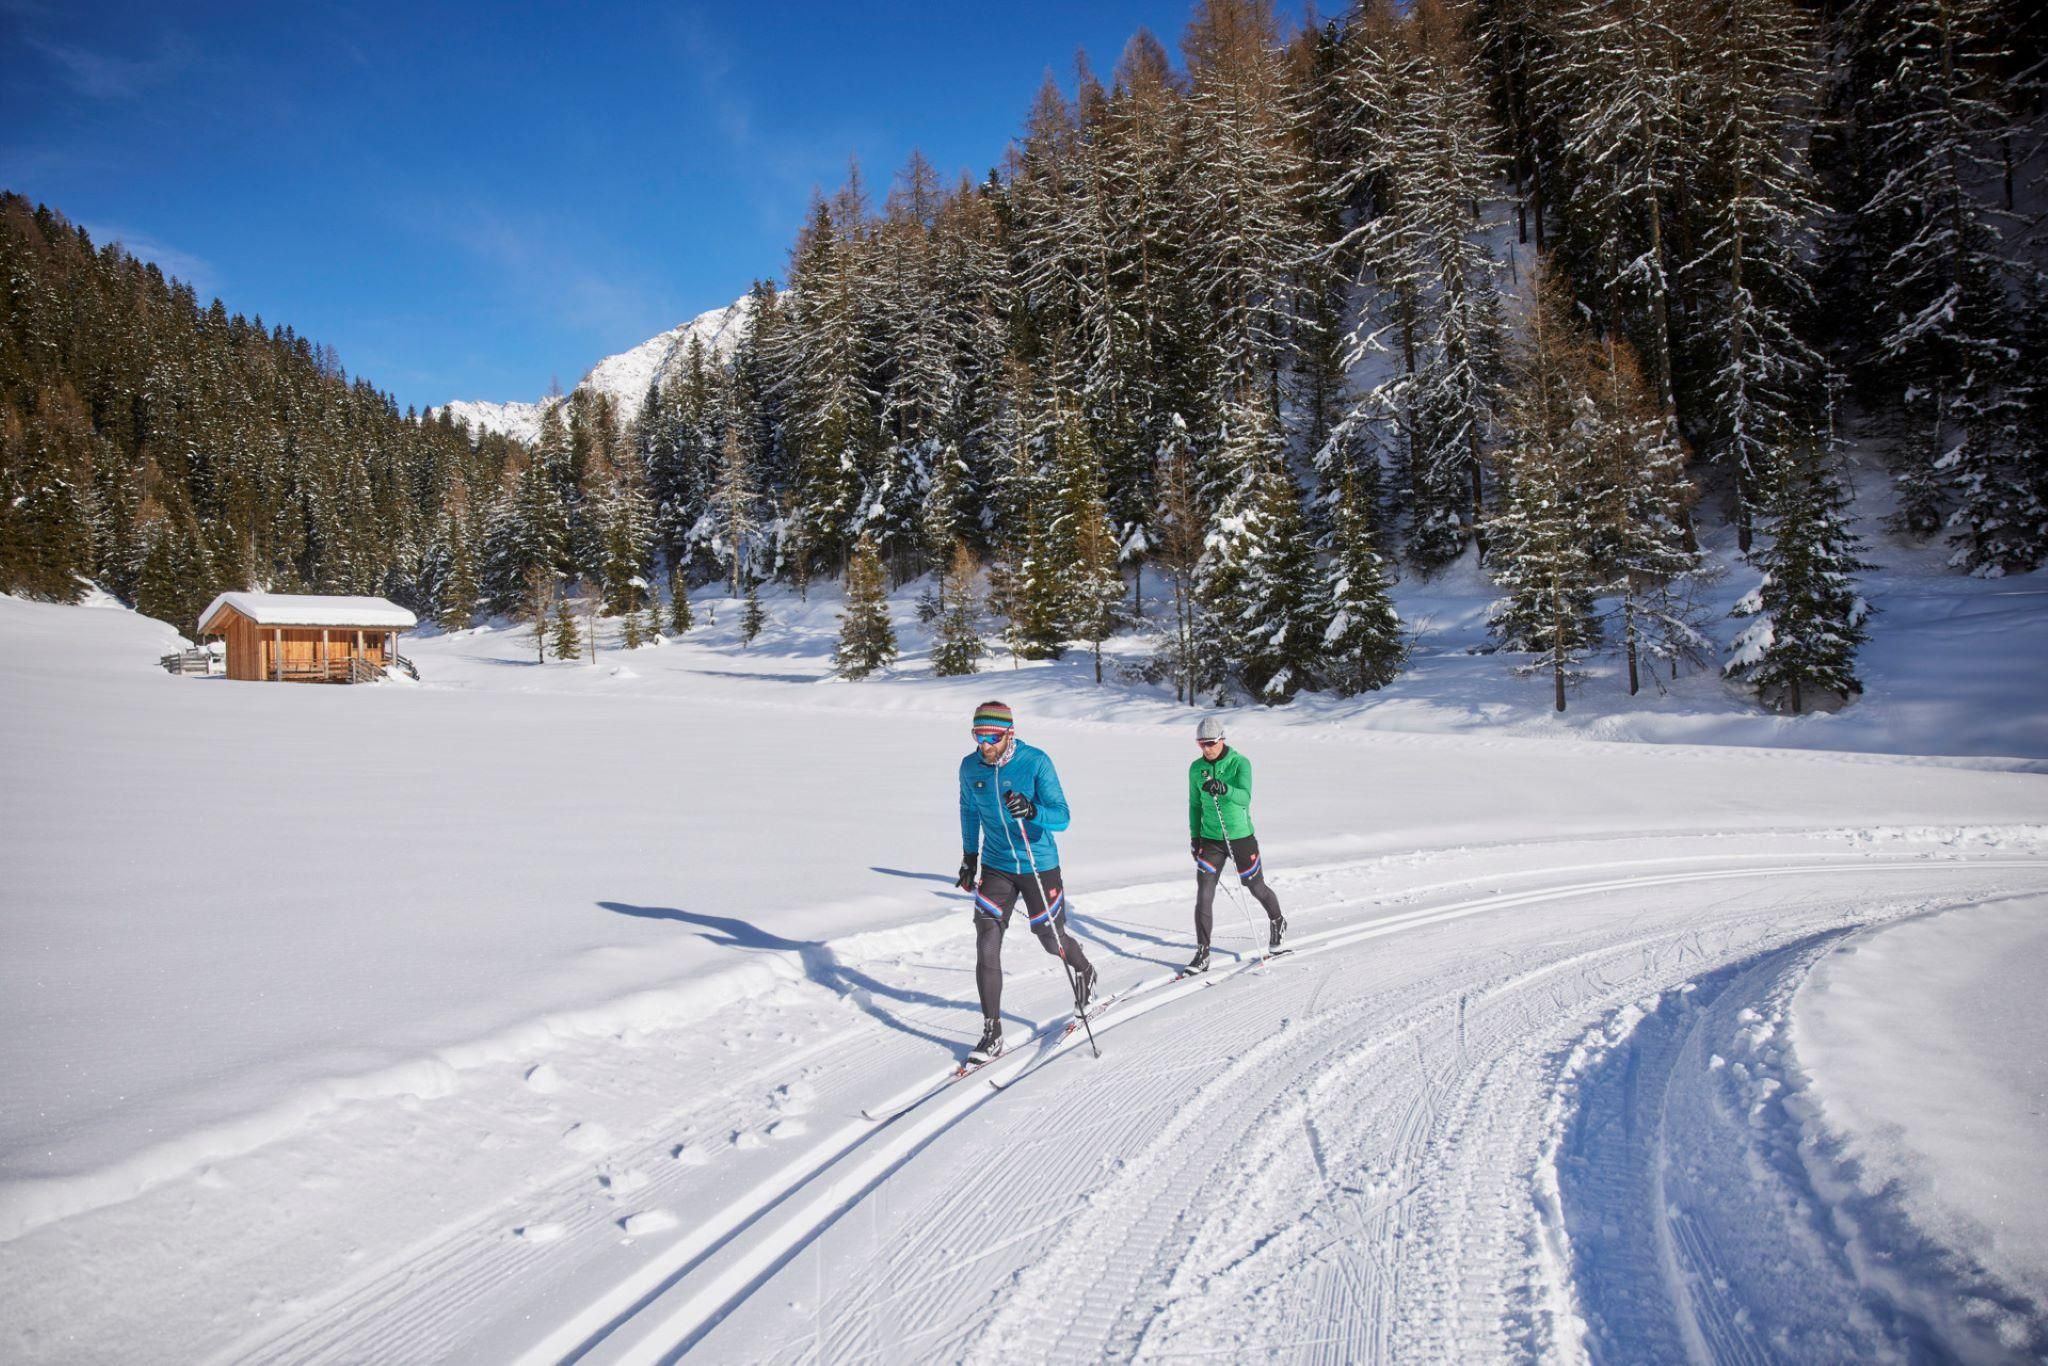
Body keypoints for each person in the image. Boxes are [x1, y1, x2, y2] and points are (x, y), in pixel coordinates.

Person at [954, 700, 1098, 1064]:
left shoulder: (1035, 762)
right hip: (997, 865)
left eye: (992, 737)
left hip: (1038, 863)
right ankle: (992, 1031)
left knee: (1050, 938)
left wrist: (1033, 811)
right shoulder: (970, 767)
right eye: (978, 736)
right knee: (987, 940)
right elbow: (969, 811)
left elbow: (1062, 817)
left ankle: (1085, 970)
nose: (985, 745)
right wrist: (970, 857)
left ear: (1009, 733)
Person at [1185, 715, 1285, 973]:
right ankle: (1202, 953)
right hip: (1210, 839)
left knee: (1255, 886)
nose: (1206, 748)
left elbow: (1245, 797)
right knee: (1204, 894)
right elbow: (1195, 805)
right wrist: (1195, 837)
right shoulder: (1196, 769)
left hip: (1240, 837)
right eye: (1201, 744)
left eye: (1210, 743)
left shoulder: (1240, 763)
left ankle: (1277, 920)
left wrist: (1225, 789)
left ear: (1221, 740)